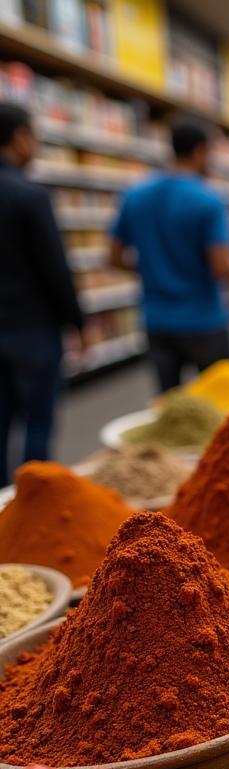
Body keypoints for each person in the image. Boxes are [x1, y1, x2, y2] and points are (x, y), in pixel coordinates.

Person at [110, 121, 229, 392]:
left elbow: (113, 257)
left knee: (170, 408)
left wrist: (151, 270)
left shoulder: (135, 195)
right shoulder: (208, 199)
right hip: (204, 318)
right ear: (200, 151)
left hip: (156, 319)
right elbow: (220, 266)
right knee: (219, 402)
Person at [0, 102, 85, 486]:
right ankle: (34, 500)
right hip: (32, 328)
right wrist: (76, 320)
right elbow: (54, 267)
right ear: (19, 138)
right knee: (38, 420)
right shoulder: (29, 196)